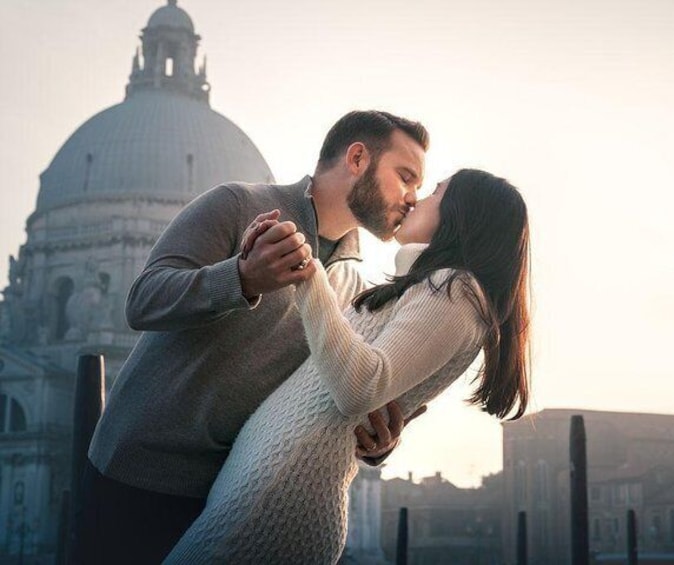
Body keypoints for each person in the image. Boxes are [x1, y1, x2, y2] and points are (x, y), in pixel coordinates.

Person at [74, 110, 430, 564]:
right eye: (405, 177)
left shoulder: (356, 289)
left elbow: (329, 395)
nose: (413, 199)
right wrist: (241, 278)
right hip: (135, 477)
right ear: (357, 158)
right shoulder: (237, 204)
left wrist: (377, 442)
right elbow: (143, 300)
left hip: (234, 502)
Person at [164, 168, 531, 564]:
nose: (415, 200)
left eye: (434, 194)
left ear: (461, 216)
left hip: (281, 494)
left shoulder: (455, 290)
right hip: (264, 485)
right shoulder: (428, 287)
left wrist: (307, 275)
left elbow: (361, 388)